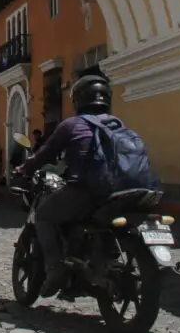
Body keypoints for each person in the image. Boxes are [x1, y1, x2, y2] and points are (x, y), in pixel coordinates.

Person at [17, 74, 114, 295]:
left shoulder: (73, 124)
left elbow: (46, 153)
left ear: (78, 100)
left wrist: (25, 169)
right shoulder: (117, 124)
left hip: (86, 190)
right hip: (117, 191)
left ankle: (55, 268)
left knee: (44, 215)